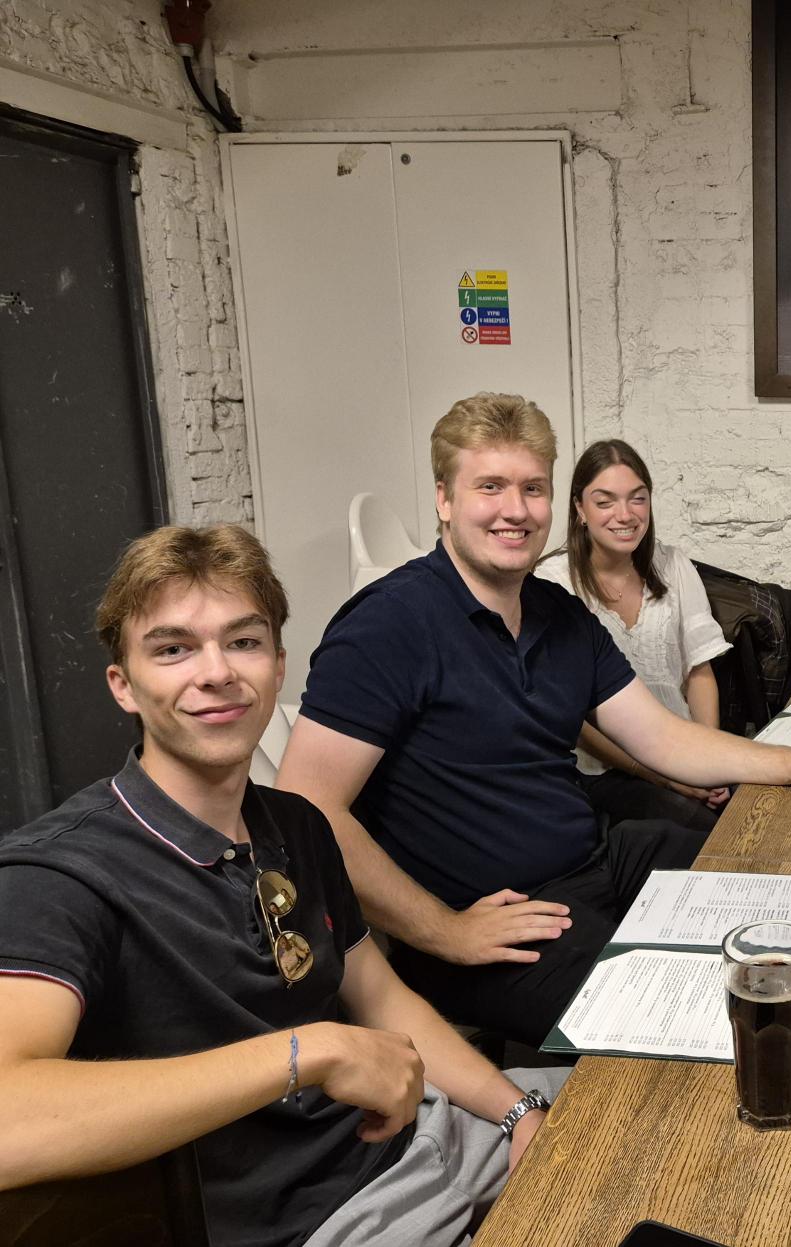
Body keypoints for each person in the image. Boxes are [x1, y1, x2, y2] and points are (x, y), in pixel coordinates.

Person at [0, 525, 567, 1247]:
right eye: (173, 649)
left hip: (432, 1140)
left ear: (277, 666)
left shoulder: (298, 824)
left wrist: (516, 1113)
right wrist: (308, 1053)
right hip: (333, 1223)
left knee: (654, 1104)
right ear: (124, 685)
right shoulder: (58, 874)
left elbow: (381, 998)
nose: (216, 672)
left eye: (242, 641)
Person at [276, 394, 791, 1048]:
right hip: (503, 922)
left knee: (782, 893)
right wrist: (444, 930)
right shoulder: (388, 624)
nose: (515, 509)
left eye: (532, 488)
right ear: (444, 498)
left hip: (597, 861)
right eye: (490, 486)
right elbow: (305, 807)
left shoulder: (556, 611)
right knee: (704, 1008)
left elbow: (663, 737)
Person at [537, 439, 731, 836]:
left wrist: (707, 761)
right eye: (605, 501)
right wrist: (664, 776)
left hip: (682, 751)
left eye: (637, 499)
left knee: (762, 802)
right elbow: (573, 721)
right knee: (702, 829)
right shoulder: (552, 583)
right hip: (606, 769)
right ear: (579, 509)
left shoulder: (672, 564)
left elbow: (699, 672)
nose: (625, 515)